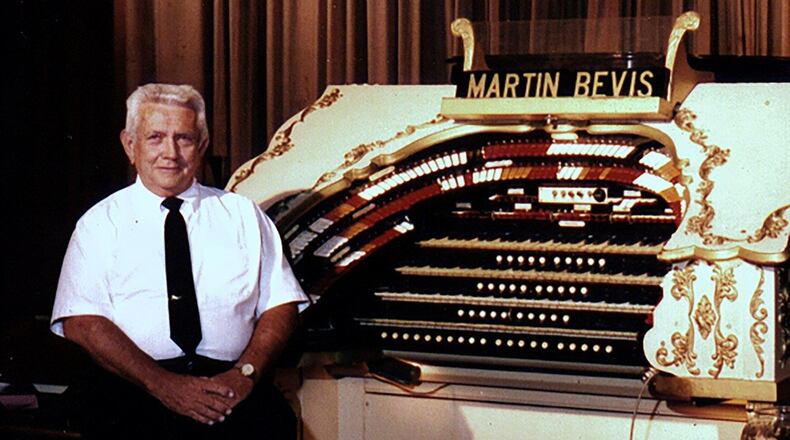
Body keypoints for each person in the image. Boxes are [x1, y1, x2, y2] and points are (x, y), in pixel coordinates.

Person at [50, 83, 308, 439]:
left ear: (201, 146)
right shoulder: (99, 224)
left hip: (231, 388)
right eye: (155, 137)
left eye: (183, 138)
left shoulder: (243, 215)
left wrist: (244, 374)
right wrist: (164, 385)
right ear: (130, 145)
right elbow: (83, 322)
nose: (170, 153)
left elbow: (281, 306)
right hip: (133, 391)